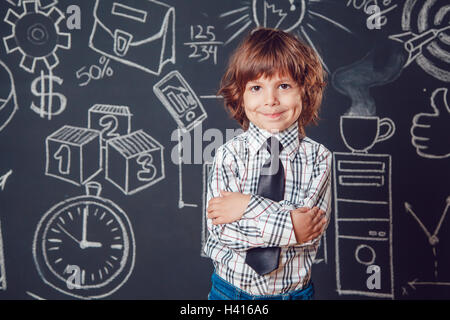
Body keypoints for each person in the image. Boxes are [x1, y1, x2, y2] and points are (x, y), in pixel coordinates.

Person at [204, 27, 332, 300]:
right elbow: (224, 232)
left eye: (283, 86)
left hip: (293, 294)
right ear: (240, 95)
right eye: (256, 88)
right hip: (229, 292)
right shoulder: (229, 155)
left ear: (305, 92)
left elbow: (308, 230)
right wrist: (290, 225)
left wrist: (246, 205)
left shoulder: (319, 158)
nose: (270, 100)